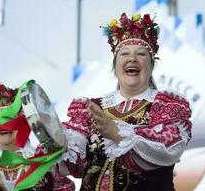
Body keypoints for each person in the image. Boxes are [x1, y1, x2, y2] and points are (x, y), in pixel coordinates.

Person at [60, 12, 192, 191]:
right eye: (124, 54)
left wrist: (115, 132)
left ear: (151, 65)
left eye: (141, 54)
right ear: (115, 66)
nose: (132, 58)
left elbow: (167, 149)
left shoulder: (166, 105)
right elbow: (71, 162)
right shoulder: (91, 108)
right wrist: (52, 138)